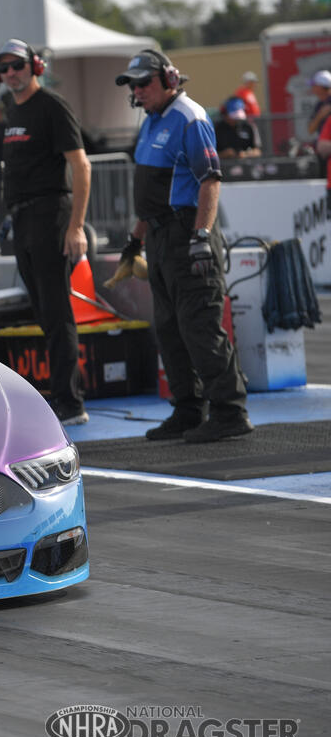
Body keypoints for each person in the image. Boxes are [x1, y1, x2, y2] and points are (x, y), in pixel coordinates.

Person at [116, 48, 251, 443]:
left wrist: (201, 237)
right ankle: (189, 408)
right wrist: (135, 240)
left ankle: (230, 411)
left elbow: (210, 180)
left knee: (200, 326)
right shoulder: (152, 122)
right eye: (133, 85)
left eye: (144, 83)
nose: (137, 91)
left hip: (187, 233)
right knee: (169, 328)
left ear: (169, 80)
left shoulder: (190, 117)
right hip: (159, 236)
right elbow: (152, 196)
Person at [0, 38, 91, 427]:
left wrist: (76, 226)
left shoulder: (52, 106)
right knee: (43, 311)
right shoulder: (9, 109)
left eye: (17, 65)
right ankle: (63, 395)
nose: (11, 73)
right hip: (23, 219)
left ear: (34, 66)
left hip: (51, 215)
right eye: (4, 67)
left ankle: (71, 401)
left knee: (56, 309)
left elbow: (81, 167)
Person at [308, 70, 331, 141]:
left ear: (321, 86)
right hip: (324, 146)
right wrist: (320, 116)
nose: (312, 88)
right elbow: (310, 130)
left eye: (314, 85)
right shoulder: (319, 104)